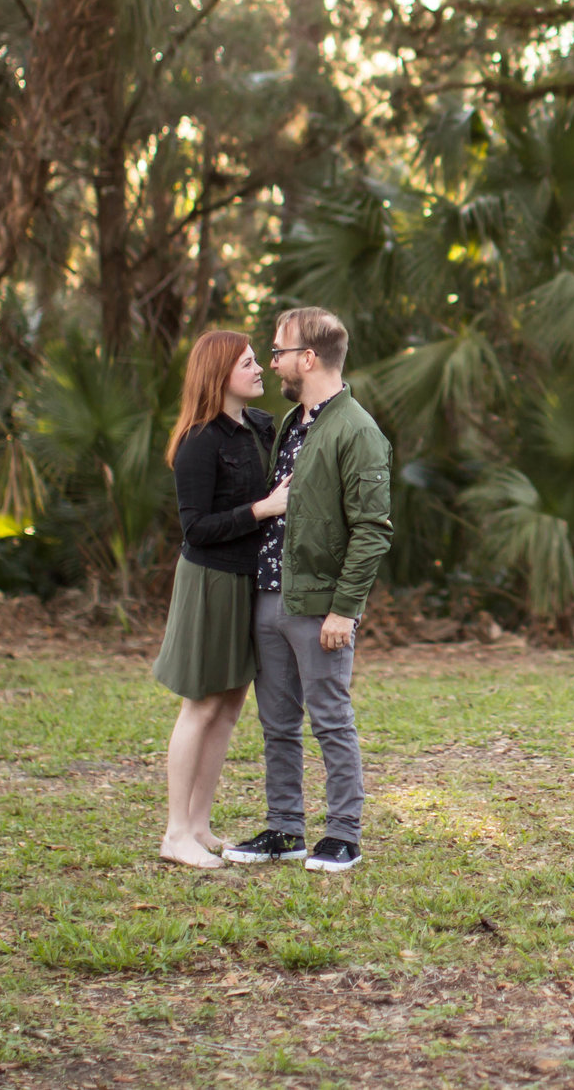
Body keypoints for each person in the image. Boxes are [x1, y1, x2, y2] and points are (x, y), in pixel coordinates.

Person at [222, 306, 391, 874]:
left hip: (320, 607)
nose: (273, 362)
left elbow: (371, 530)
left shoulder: (357, 430)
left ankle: (344, 834)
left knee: (330, 718)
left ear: (309, 358)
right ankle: (284, 828)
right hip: (271, 594)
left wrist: (345, 610)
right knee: (276, 723)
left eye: (279, 351)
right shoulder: (294, 421)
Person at [151, 330, 288, 869]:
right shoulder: (198, 441)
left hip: (247, 581)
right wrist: (264, 509)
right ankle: (175, 832)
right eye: (250, 363)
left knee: (230, 707)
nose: (261, 369)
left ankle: (202, 825)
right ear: (220, 373)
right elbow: (196, 529)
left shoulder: (259, 427)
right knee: (202, 704)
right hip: (210, 583)